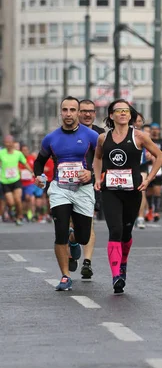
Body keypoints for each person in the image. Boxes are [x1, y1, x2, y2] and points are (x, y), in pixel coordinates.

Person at [93, 99, 162, 294]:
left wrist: (149, 179)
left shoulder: (139, 136)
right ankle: (116, 275)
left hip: (132, 191)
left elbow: (160, 156)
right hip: (111, 191)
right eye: (118, 111)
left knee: (126, 232)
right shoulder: (103, 138)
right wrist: (97, 178)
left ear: (130, 115)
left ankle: (123, 262)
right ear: (111, 115)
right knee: (114, 230)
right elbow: (97, 158)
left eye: (126, 111)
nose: (123, 114)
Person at [33, 96, 99, 291]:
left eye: (72, 110)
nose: (68, 114)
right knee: (59, 232)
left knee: (84, 237)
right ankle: (65, 276)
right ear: (60, 112)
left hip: (83, 190)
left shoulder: (91, 136)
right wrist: (38, 176)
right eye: (65, 110)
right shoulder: (51, 138)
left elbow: (104, 159)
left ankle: (74, 239)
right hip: (60, 189)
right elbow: (39, 162)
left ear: (78, 113)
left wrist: (92, 173)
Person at [75, 99, 106, 279]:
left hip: (92, 184)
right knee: (73, 227)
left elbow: (107, 160)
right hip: (69, 184)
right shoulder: (69, 132)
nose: (87, 114)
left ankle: (87, 262)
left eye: (91, 111)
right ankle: (72, 243)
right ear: (78, 113)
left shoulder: (102, 135)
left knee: (89, 222)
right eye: (84, 111)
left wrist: (95, 176)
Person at [0, 135, 33, 225]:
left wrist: (32, 172)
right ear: (4, 143)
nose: (8, 144)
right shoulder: (1, 153)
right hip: (5, 181)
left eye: (9, 142)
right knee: (10, 203)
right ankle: (13, 210)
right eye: (6, 142)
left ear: (13, 143)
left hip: (16, 180)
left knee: (18, 199)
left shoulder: (18, 154)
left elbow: (25, 163)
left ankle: (19, 216)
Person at [146, 123, 162, 222]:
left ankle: (156, 211)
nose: (154, 131)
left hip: (158, 168)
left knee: (157, 190)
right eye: (152, 129)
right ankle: (150, 209)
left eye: (156, 129)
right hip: (149, 167)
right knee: (149, 191)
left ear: (159, 130)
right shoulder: (147, 140)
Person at [135, 121, 152, 229]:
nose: (137, 122)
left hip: (142, 166)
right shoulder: (123, 133)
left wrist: (149, 153)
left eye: (140, 121)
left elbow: (157, 153)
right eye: (135, 120)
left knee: (141, 191)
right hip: (127, 167)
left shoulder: (145, 135)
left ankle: (141, 217)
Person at [19, 144, 41, 222]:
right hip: (20, 182)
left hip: (30, 182)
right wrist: (21, 171)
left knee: (30, 197)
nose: (25, 152)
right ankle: (24, 213)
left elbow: (35, 168)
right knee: (23, 200)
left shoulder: (32, 158)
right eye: (23, 150)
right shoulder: (19, 159)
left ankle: (32, 214)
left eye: (26, 150)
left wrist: (33, 172)